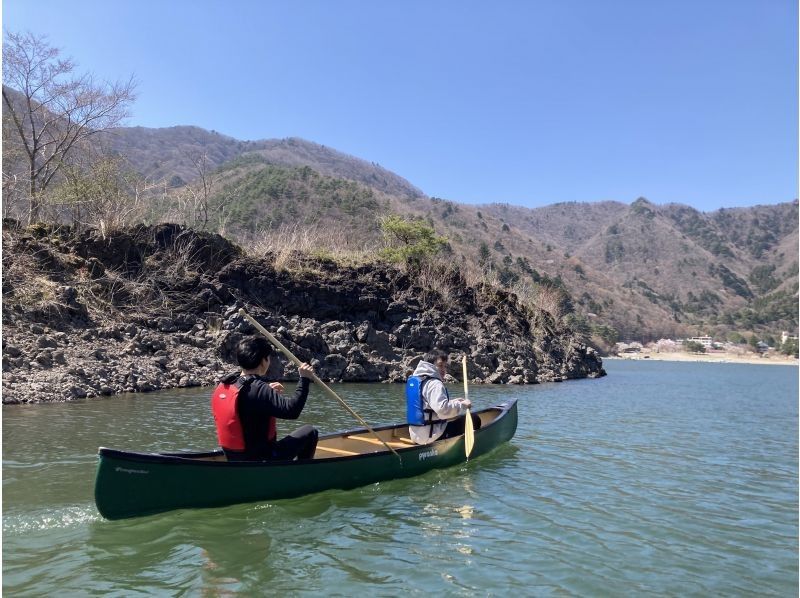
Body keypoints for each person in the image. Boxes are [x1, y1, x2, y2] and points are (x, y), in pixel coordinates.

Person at [211, 336, 318, 461]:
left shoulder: (227, 384)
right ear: (263, 361)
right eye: (268, 358)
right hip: (262, 459)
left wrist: (267, 391)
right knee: (310, 432)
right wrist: (304, 379)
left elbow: (247, 401)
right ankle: (300, 475)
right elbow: (292, 411)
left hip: (234, 457)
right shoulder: (260, 389)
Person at [406, 349, 481, 445]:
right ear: (430, 365)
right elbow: (443, 411)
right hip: (432, 436)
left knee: (455, 418)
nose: (443, 370)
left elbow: (429, 406)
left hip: (416, 436)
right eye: (440, 365)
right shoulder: (435, 384)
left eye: (445, 366)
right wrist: (461, 405)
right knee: (474, 418)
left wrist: (454, 402)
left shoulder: (417, 380)